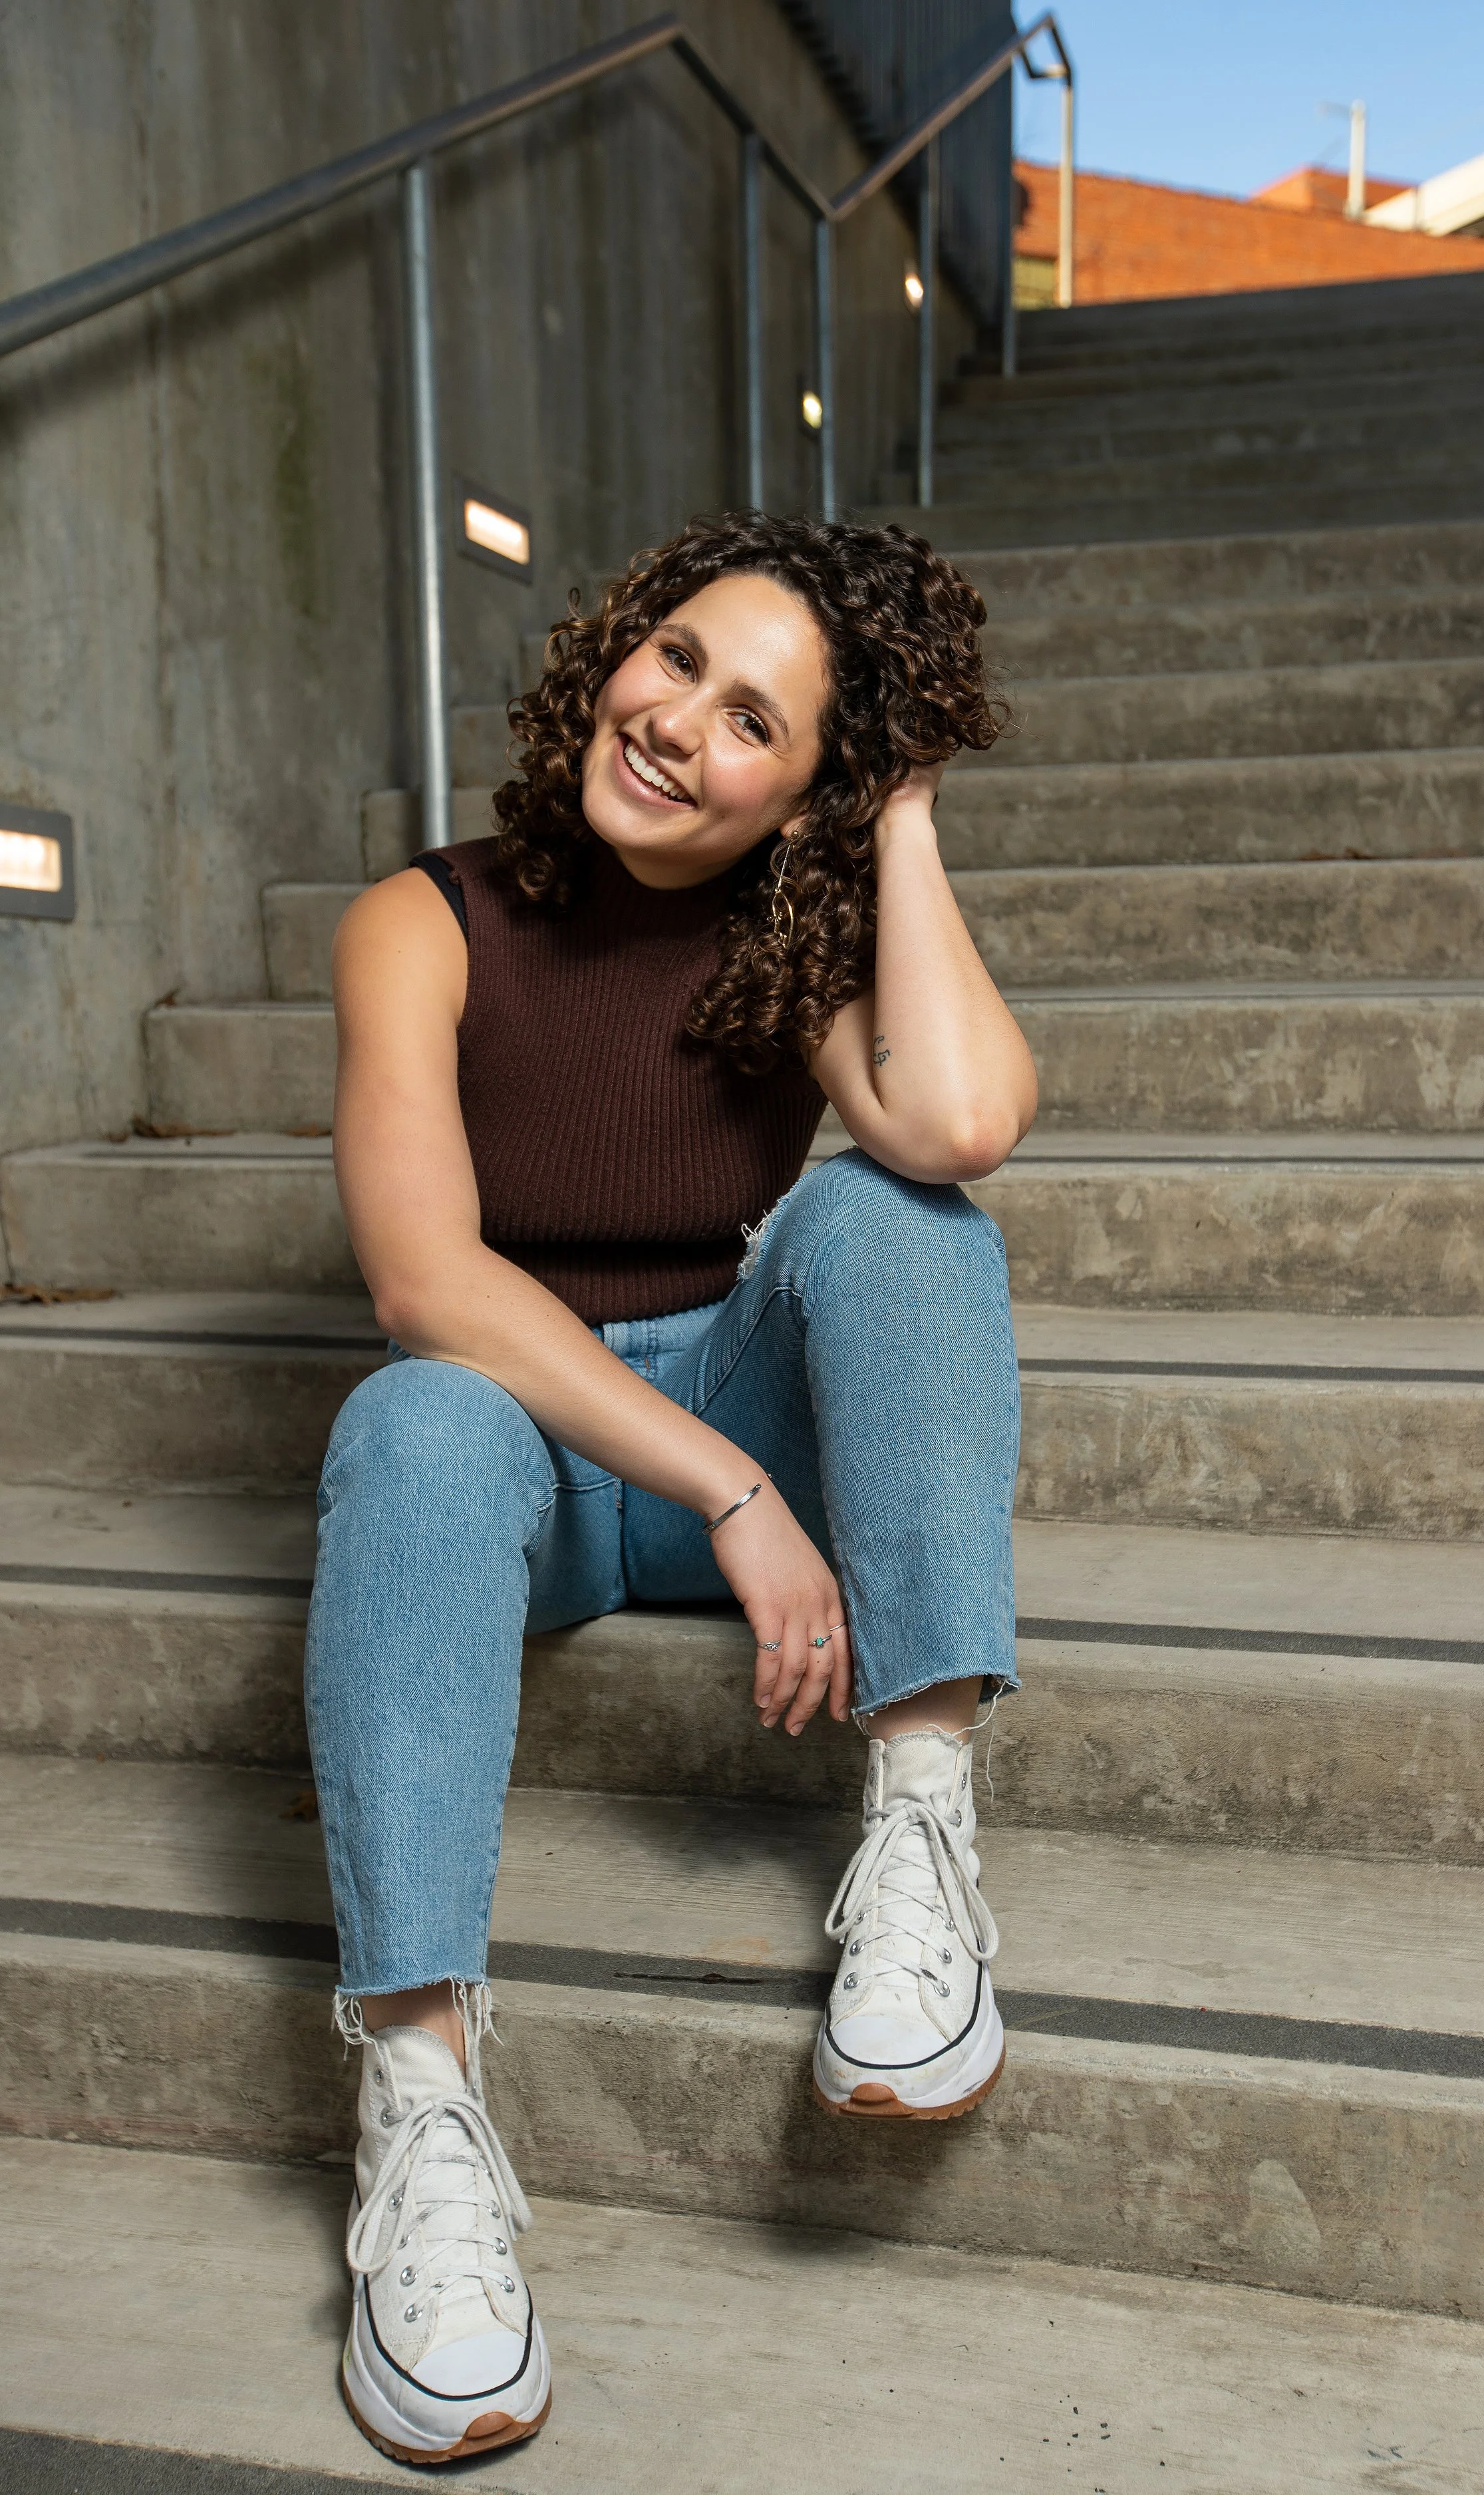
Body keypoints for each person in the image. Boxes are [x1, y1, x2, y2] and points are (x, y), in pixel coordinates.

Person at [306, 510, 1038, 2464]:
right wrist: (728, 1490)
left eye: (759, 725)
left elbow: (960, 1115)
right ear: (610, 647)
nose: (680, 724)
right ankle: (421, 2100)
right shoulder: (422, 918)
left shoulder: (782, 937)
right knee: (410, 1414)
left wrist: (893, 820)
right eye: (677, 660)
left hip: (734, 1384)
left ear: (802, 790)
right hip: (532, 1448)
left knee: (903, 1214)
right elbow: (425, 1282)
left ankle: (920, 1826)